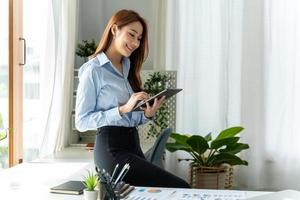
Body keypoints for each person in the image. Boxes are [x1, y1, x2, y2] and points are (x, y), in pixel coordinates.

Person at [75, 9, 190, 188]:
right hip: (111, 149)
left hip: (132, 145)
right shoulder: (93, 70)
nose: (136, 42)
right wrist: (122, 109)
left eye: (139, 38)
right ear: (114, 30)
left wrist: (147, 114)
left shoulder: (127, 67)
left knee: (156, 193)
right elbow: (81, 122)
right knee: (180, 187)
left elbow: (129, 120)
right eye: (132, 34)